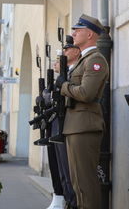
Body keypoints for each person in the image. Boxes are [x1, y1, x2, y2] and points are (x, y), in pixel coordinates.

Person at [55, 14, 108, 209]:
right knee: (77, 183)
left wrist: (64, 86)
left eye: (78, 30)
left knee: (86, 183)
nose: (74, 33)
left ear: (90, 34)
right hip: (75, 126)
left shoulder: (96, 60)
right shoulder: (82, 60)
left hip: (84, 126)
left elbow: (87, 93)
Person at [46, 41, 81, 209]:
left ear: (76, 51)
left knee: (69, 169)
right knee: (60, 167)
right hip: (57, 121)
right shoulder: (65, 73)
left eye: (67, 49)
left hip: (69, 122)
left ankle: (71, 202)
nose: (63, 53)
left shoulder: (77, 70)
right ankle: (64, 199)